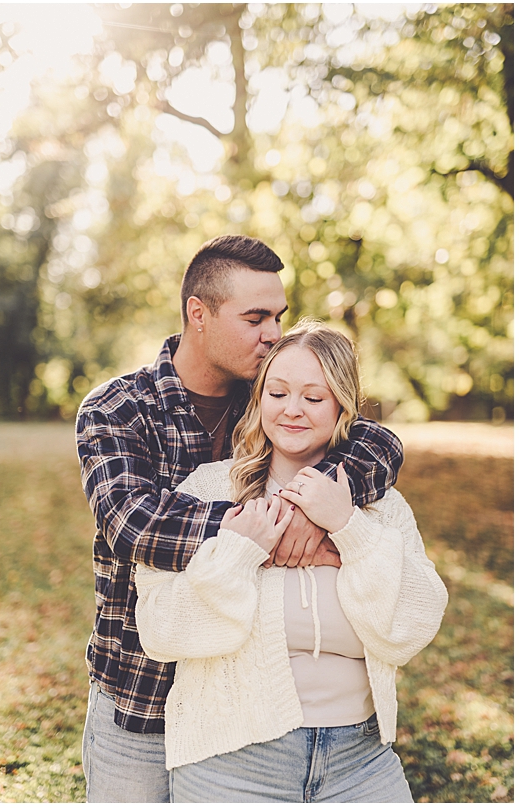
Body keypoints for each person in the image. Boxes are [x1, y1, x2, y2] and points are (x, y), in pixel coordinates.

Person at [75, 235, 405, 802]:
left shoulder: (275, 396)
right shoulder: (117, 409)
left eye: (277, 315)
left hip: (248, 712)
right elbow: (137, 524)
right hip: (144, 694)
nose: (274, 333)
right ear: (197, 315)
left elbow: (377, 442)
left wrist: (326, 499)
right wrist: (279, 523)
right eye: (255, 317)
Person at [133, 321, 448, 802]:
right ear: (258, 399)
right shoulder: (205, 491)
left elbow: (413, 625)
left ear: (342, 405)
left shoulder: (379, 507)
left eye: (314, 398)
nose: (292, 410)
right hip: (231, 763)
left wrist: (349, 530)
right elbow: (159, 631)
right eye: (277, 393)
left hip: (360, 762)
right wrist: (240, 551)